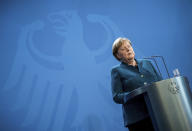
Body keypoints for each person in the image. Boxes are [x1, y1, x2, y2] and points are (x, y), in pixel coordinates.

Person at [110, 37, 162, 131]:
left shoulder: (147, 63)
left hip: (158, 112)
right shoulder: (116, 71)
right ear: (118, 55)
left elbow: (161, 84)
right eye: (123, 49)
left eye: (129, 46)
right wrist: (135, 94)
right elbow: (116, 96)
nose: (128, 49)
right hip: (138, 118)